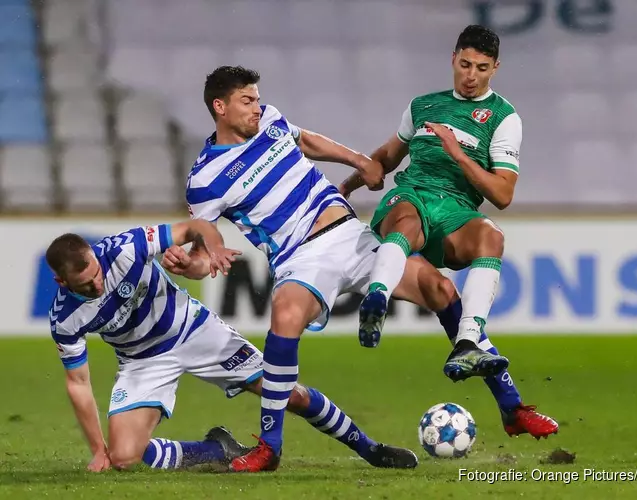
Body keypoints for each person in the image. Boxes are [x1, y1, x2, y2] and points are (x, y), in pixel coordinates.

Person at [178, 65, 509, 473]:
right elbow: (200, 244)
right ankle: (269, 447)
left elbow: (308, 141)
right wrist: (192, 263)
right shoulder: (205, 180)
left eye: (258, 99)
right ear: (219, 107)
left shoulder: (272, 121)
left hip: (352, 238)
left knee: (439, 288)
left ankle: (509, 404)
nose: (257, 107)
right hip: (301, 257)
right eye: (247, 101)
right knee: (285, 315)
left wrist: (359, 161)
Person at [47, 220, 418, 472]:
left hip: (195, 331)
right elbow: (77, 383)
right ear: (61, 282)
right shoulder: (64, 319)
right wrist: (98, 451)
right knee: (125, 456)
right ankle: (215, 450)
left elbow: (196, 227)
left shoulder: (125, 248)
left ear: (96, 255)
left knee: (289, 394)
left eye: (97, 273)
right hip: (142, 361)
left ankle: (369, 448)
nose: (98, 285)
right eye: (86, 285)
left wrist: (208, 250)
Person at [339, 25, 559, 438]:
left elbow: (503, 194)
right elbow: (388, 155)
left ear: (495, 68)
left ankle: (470, 344)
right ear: (453, 59)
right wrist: (349, 184)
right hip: (412, 196)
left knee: (490, 237)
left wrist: (459, 156)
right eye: (464, 65)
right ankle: (377, 299)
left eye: (480, 68)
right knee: (409, 231)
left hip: (456, 211)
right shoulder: (423, 106)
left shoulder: (503, 118)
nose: (470, 75)